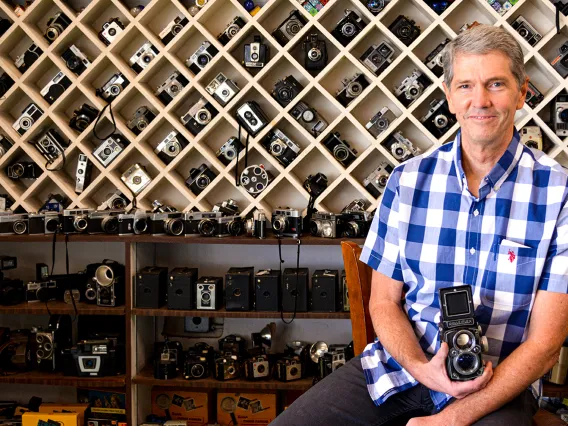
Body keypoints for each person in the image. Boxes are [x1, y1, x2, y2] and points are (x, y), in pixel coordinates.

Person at [270, 24, 568, 426]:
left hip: (496, 386)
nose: (480, 100)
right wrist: (420, 367)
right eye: (465, 85)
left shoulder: (557, 192)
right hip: (400, 370)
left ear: (521, 92)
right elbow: (383, 302)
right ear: (448, 97)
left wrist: (450, 419)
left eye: (495, 84)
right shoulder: (407, 181)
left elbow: (546, 345)